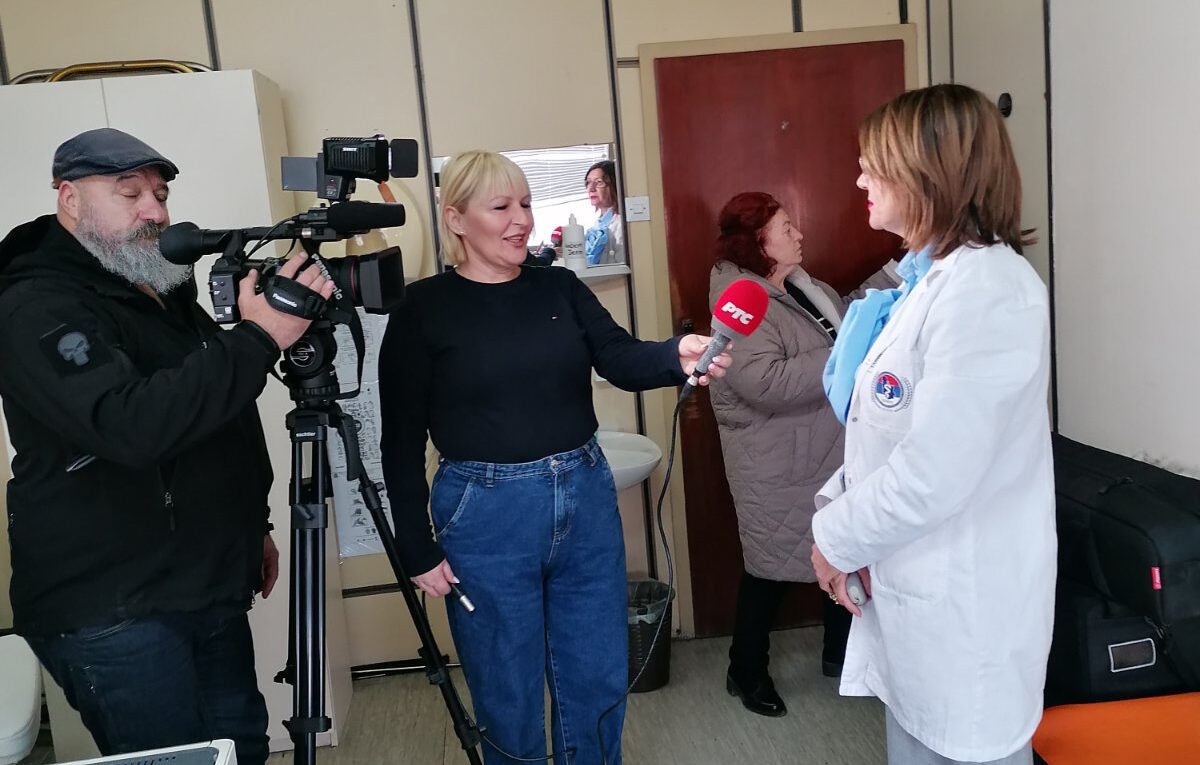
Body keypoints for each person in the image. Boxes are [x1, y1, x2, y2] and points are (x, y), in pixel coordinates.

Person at [378, 150, 730, 765]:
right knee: (507, 690)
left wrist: (675, 355)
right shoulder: (422, 309)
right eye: (501, 207)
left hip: (584, 498)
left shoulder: (559, 286)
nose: (522, 220)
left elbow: (618, 357)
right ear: (456, 219)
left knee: (595, 678)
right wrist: (416, 545)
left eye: (526, 203)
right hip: (485, 514)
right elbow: (400, 439)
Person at [0, 128, 333, 765]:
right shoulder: (35, 305)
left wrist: (251, 526)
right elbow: (131, 425)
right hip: (115, 608)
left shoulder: (159, 286)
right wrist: (260, 337)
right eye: (129, 195)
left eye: (160, 195)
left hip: (203, 580)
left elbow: (212, 416)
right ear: (69, 199)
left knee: (239, 749)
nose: (154, 211)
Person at [811, 84, 1054, 764]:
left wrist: (833, 540)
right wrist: (838, 518)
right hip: (917, 607)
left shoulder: (989, 292)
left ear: (928, 173)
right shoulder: (932, 282)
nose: (860, 180)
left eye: (873, 166)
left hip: (965, 624)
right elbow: (886, 439)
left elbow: (932, 475)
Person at [709, 191, 885, 717]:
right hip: (775, 460)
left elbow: (846, 318)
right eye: (786, 228)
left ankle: (838, 653)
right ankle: (745, 670)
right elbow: (764, 381)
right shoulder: (740, 301)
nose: (798, 234)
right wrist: (845, 355)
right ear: (757, 242)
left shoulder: (800, 286)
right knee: (770, 567)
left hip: (823, 448)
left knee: (840, 544)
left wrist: (895, 277)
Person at [583, 160, 624, 265]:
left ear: (614, 186)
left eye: (599, 182)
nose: (591, 188)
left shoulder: (622, 224)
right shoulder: (598, 224)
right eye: (588, 182)